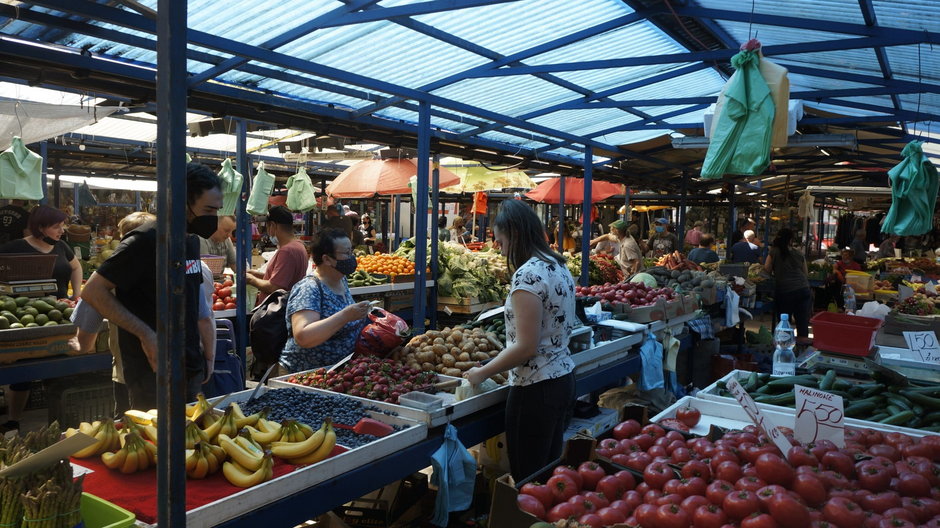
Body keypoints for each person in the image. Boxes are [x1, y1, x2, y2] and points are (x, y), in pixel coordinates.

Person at [80, 162, 220, 410]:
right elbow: (92, 290)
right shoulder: (144, 241)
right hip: (151, 371)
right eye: (208, 210)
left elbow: (194, 305)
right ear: (181, 202)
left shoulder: (190, 241)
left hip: (189, 366)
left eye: (216, 210)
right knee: (154, 445)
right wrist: (146, 334)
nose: (213, 219)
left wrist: (205, 355)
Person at [464, 200, 576, 481]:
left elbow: (526, 347)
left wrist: (482, 372)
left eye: (500, 242)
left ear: (514, 234)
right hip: (562, 378)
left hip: (534, 389)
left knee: (529, 480)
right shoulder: (558, 265)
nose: (500, 250)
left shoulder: (528, 274)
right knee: (547, 474)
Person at [0, 205, 83, 433]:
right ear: (40, 227)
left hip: (59, 313)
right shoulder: (15, 248)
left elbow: (76, 268)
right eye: (57, 226)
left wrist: (75, 295)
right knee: (23, 370)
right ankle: (13, 420)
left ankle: (61, 421)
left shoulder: (62, 247)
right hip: (27, 314)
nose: (62, 230)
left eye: (62, 225)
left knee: (58, 367)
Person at [71, 211, 156, 417]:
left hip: (127, 374)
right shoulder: (176, 269)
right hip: (172, 370)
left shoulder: (104, 282)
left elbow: (85, 343)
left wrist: (76, 345)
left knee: (132, 432)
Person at [280, 228, 371, 374]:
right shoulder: (309, 288)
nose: (351, 257)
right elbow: (303, 336)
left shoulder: (341, 280)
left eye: (351, 252)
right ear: (327, 259)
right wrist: (345, 315)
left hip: (336, 373)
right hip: (306, 376)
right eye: (346, 253)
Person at [246, 206, 308, 306]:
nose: (267, 231)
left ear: (273, 225)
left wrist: (250, 279)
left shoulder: (287, 251)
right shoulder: (298, 246)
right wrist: (255, 274)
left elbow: (274, 287)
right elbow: (283, 278)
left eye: (267, 226)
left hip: (276, 313)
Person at [764, 228, 812, 339]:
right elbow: (805, 273)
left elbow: (767, 269)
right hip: (803, 289)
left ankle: (785, 347)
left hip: (785, 291)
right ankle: (802, 350)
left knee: (785, 322)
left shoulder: (774, 251)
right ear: (790, 240)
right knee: (802, 322)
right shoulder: (798, 253)